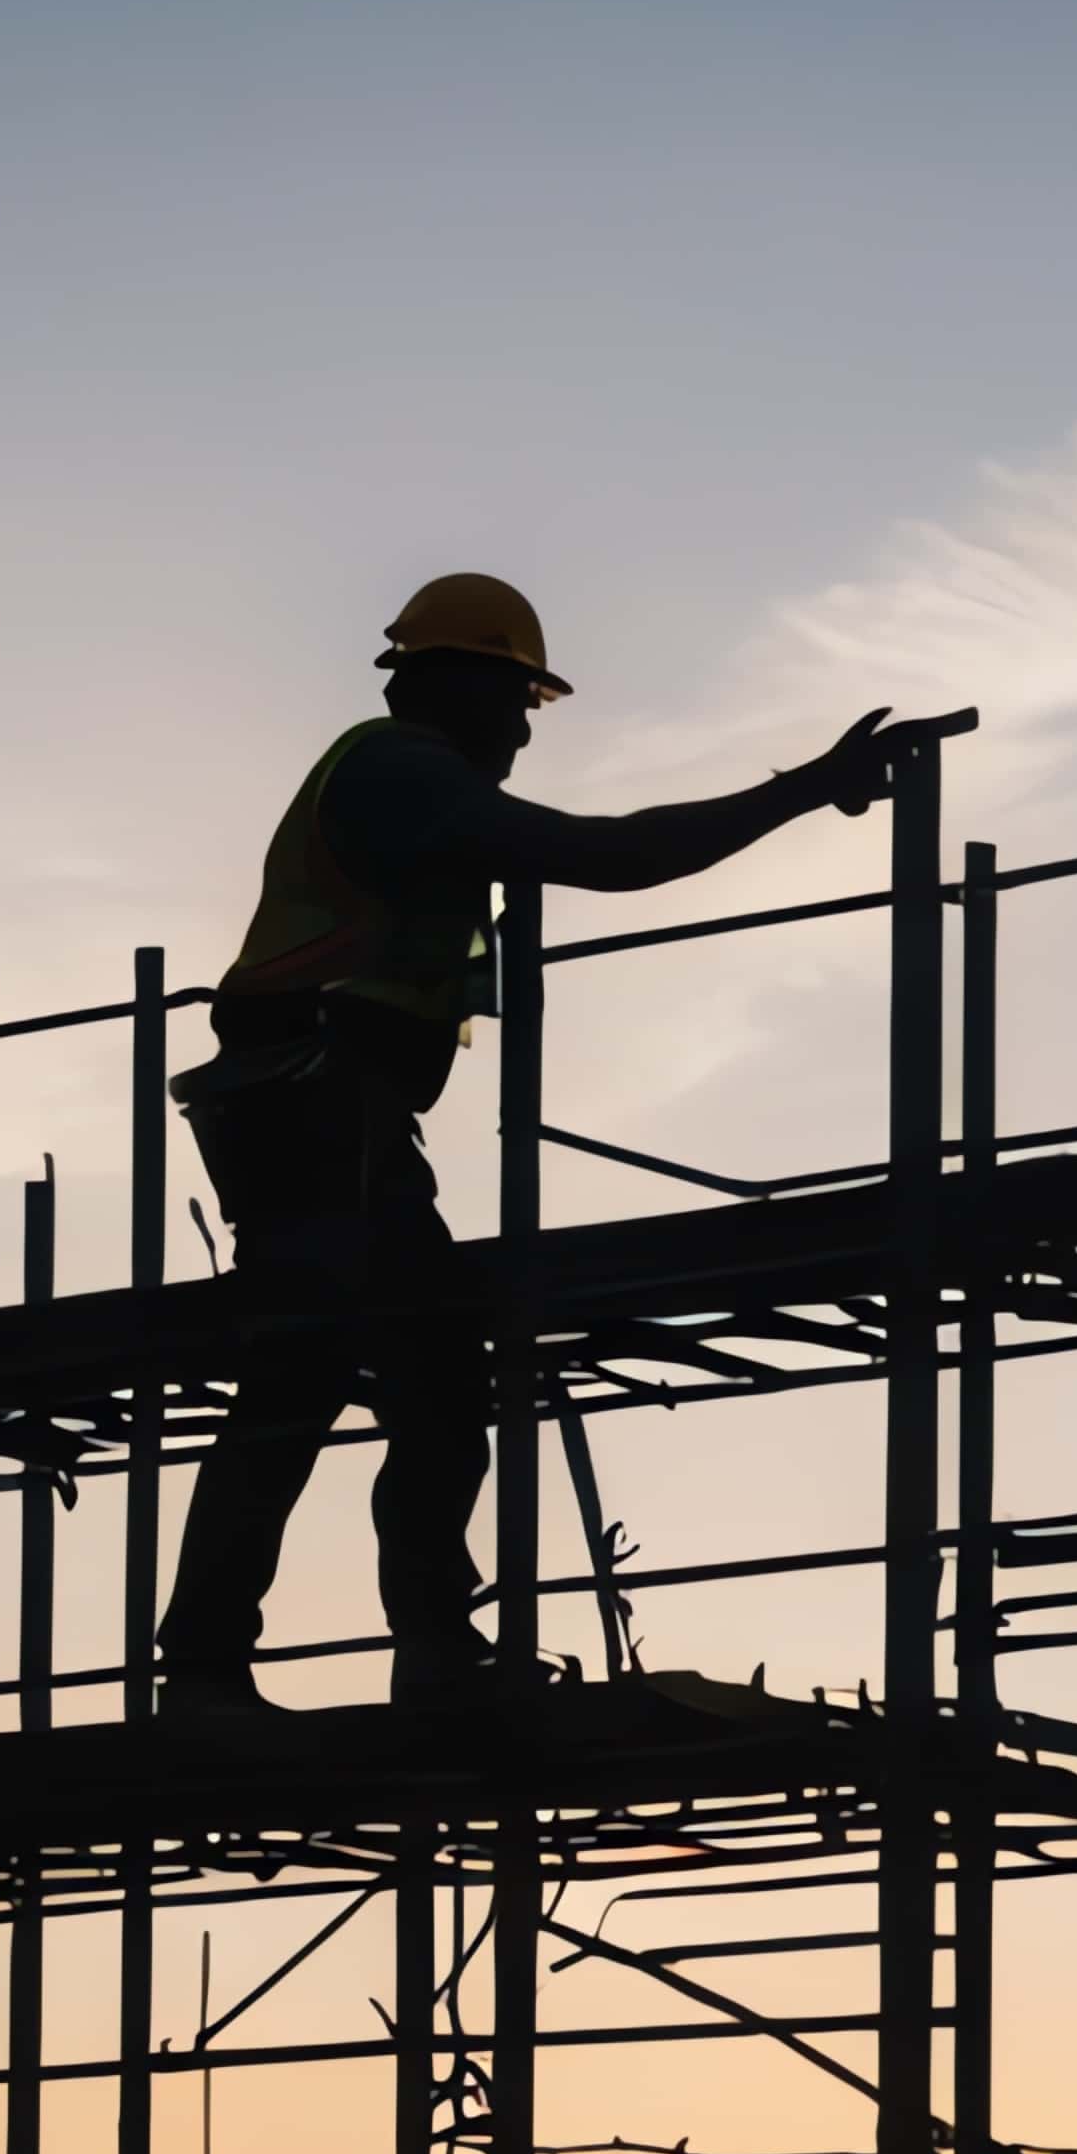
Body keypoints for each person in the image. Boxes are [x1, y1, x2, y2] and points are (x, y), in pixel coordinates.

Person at [155, 570, 946, 1717]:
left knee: (433, 1368)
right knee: (308, 1373)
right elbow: (611, 855)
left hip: (338, 1109)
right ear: (462, 684)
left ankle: (421, 1649)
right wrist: (805, 791)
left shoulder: (404, 780)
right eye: (522, 697)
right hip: (310, 1099)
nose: (529, 725)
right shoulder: (399, 771)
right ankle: (212, 1670)